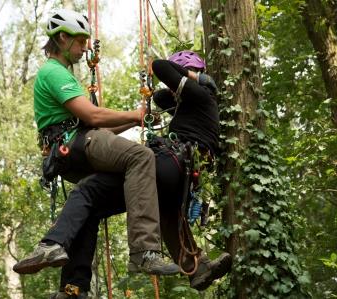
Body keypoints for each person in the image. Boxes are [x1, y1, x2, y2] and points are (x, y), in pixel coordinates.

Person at [46, 51, 232, 298]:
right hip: (179, 176)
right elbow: (161, 96)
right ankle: (197, 268)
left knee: (89, 189)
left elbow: (159, 66)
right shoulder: (191, 105)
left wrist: (194, 78)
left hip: (171, 163)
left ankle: (54, 245)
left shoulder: (200, 96)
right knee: (163, 212)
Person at [13, 8, 179, 277]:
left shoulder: (61, 75)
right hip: (74, 142)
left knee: (90, 197)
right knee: (141, 156)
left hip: (76, 143)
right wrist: (136, 114)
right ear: (63, 38)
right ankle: (144, 251)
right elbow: (92, 116)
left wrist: (137, 121)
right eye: (80, 42)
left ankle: (71, 281)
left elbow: (98, 127)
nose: (83, 49)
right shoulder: (54, 72)